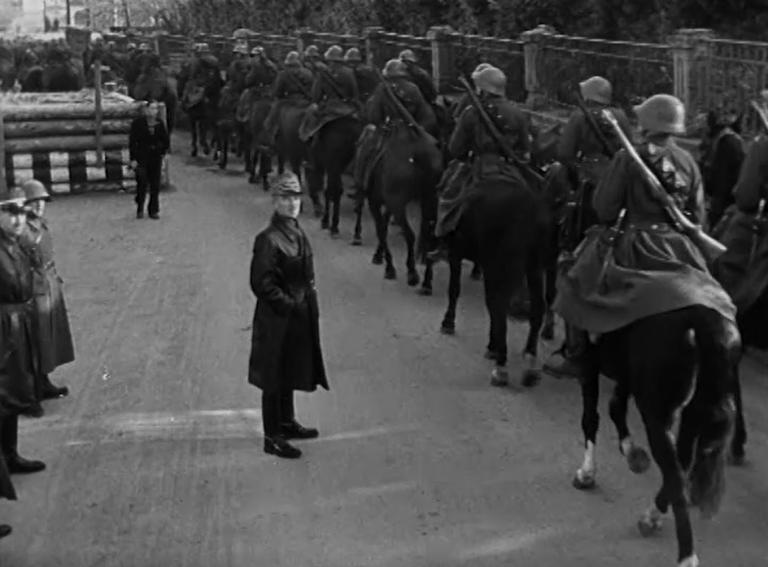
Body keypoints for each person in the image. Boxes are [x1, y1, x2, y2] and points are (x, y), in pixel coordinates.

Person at [552, 94, 736, 376]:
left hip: (635, 240)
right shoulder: (687, 160)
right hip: (679, 244)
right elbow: (699, 216)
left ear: (648, 122)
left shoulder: (629, 158)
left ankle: (578, 355)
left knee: (575, 275)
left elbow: (605, 209)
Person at [543, 75, 632, 377]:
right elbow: (630, 153)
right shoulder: (620, 116)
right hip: (621, 189)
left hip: (588, 191)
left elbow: (565, 154)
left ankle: (575, 349)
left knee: (571, 264)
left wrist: (578, 172)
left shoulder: (580, 116)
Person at [248, 172, 329, 459]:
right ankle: (272, 436)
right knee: (273, 376)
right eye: (285, 198)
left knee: (290, 369)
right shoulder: (268, 239)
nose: (292, 203)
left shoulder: (295, 230)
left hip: (297, 315)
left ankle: (287, 422)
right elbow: (262, 283)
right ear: (274, 201)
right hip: (276, 319)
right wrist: (288, 305)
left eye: (296, 197)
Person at [427, 65, 531, 262]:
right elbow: (525, 149)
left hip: (478, 168)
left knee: (447, 197)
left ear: (482, 88)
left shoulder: (471, 112)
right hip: (509, 169)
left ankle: (443, 241)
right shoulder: (518, 112)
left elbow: (455, 148)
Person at [0, 189, 47, 482]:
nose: (18, 219)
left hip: (18, 321)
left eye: (21, 212)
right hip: (2, 324)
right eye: (10, 213)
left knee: (15, 391)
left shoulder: (15, 244)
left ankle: (10, 454)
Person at [21, 180, 73, 403]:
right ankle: (30, 389)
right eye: (35, 202)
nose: (40, 207)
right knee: (33, 341)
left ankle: (43, 382)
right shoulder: (21, 229)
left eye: (42, 202)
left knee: (47, 339)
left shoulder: (39, 223)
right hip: (32, 289)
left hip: (48, 284)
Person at [129, 96, 170, 219]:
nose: (154, 111)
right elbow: (132, 142)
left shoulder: (159, 124)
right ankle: (140, 207)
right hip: (142, 156)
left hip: (155, 157)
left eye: (156, 109)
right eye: (152, 108)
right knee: (142, 182)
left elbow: (165, 140)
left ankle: (153, 210)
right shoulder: (138, 123)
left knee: (155, 184)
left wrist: (164, 152)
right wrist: (133, 159)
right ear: (146, 110)